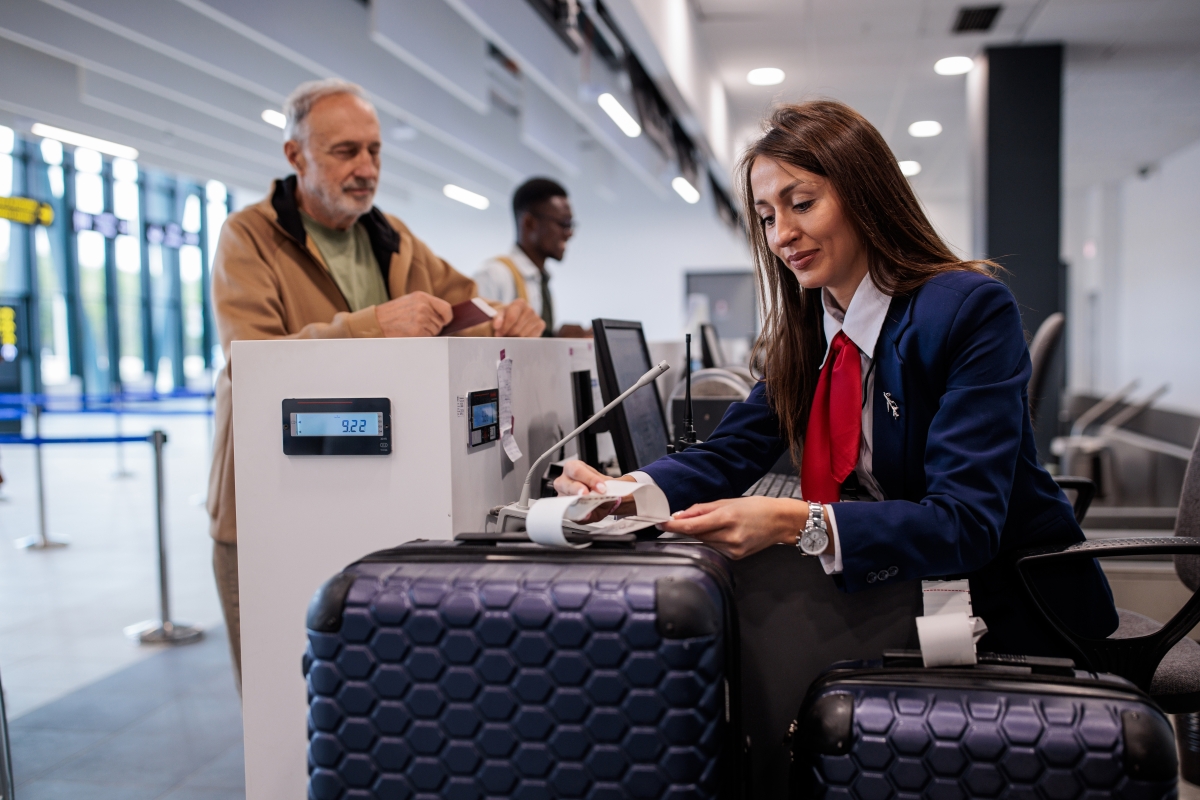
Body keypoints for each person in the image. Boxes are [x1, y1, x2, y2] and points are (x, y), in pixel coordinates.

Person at [555, 100, 1117, 657]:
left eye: (802, 204)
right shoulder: (812, 329)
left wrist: (797, 522)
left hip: (1013, 613)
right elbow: (730, 454)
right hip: (907, 595)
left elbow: (964, 523)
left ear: (866, 197)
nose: (781, 236)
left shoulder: (966, 311)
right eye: (768, 217)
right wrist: (625, 494)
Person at [208, 79, 544, 688]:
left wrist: (509, 319)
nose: (366, 168)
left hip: (374, 492)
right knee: (281, 701)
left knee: (372, 694)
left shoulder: (391, 235)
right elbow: (249, 359)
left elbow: (465, 309)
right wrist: (372, 325)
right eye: (346, 152)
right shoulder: (248, 237)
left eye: (375, 151)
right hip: (268, 505)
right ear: (295, 156)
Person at [474, 178, 574, 336]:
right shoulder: (494, 275)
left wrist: (561, 341)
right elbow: (473, 346)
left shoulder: (541, 280)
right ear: (529, 222)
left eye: (571, 225)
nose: (569, 233)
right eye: (563, 223)